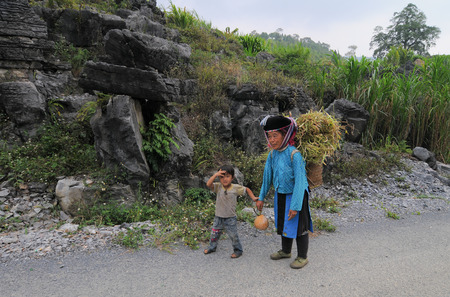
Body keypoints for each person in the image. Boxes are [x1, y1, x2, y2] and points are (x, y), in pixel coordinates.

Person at [257, 115, 313, 269]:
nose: (272, 140)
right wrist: (261, 197)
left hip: (297, 196)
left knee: (299, 227)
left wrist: (295, 205)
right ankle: (286, 251)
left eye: (275, 136)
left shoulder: (295, 155)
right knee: (283, 222)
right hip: (280, 195)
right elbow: (267, 178)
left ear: (285, 135)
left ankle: (302, 256)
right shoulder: (272, 154)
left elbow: (301, 183)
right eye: (269, 136)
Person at [204, 165, 258, 258]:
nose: (224, 179)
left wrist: (253, 198)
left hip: (230, 217)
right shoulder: (218, 187)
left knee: (233, 235)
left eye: (227, 176)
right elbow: (208, 184)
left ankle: (238, 250)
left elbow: (247, 189)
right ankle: (212, 247)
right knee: (214, 234)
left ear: (232, 178)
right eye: (222, 177)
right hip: (218, 216)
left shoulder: (235, 188)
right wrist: (215, 175)